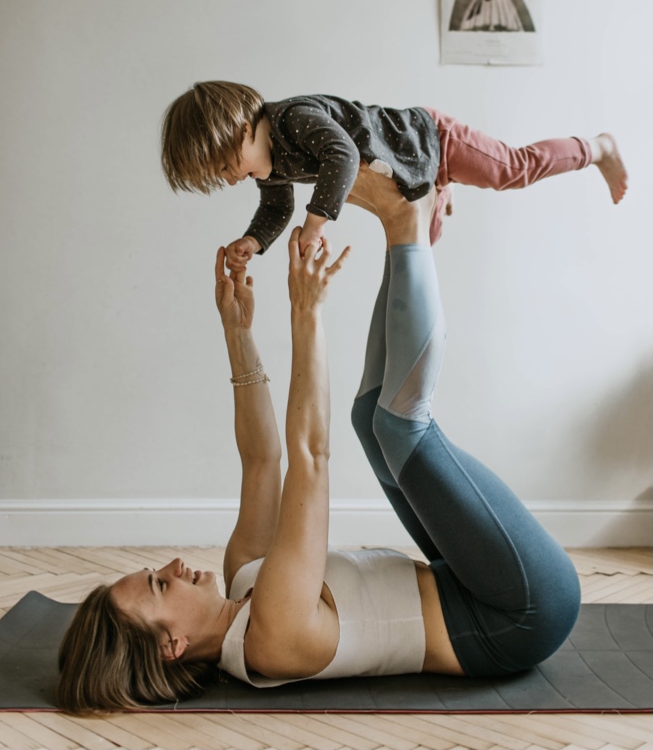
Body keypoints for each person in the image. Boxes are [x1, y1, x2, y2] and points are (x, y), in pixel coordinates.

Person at [57, 172, 583, 713]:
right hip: (519, 614)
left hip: (465, 583)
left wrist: (238, 334)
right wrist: (306, 313)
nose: (171, 565)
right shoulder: (272, 638)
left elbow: (262, 460)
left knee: (368, 418)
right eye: (160, 586)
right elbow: (310, 459)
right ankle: (407, 222)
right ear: (173, 646)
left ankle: (408, 229)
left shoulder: (244, 576)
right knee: (400, 427)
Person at [160, 81, 627, 263]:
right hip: (409, 173)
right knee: (425, 244)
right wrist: (254, 240)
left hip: (431, 139)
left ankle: (596, 148)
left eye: (227, 165)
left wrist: (316, 223)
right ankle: (440, 187)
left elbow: (342, 155)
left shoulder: (292, 119)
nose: (230, 179)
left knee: (512, 170)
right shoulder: (270, 167)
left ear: (244, 129)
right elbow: (276, 207)